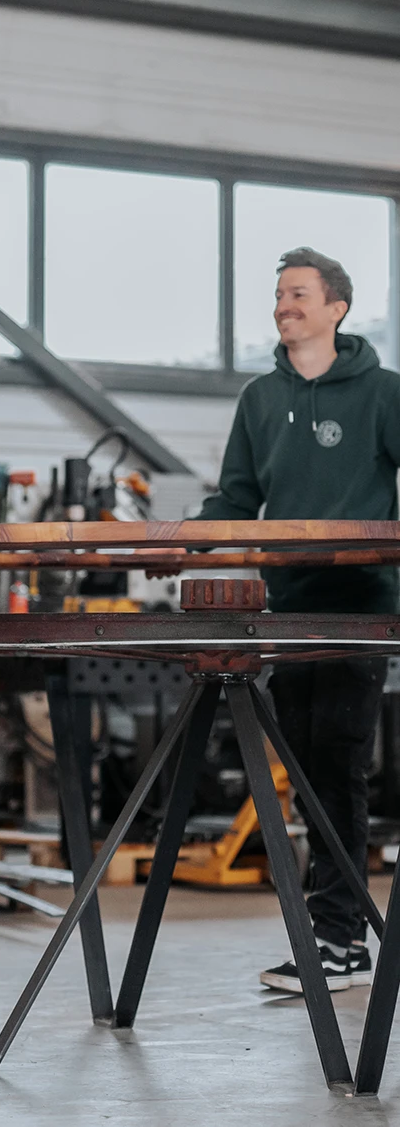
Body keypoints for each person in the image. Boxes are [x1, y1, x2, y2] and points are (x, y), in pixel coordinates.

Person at [197, 246, 400, 994]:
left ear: (335, 308)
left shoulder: (382, 393)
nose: (283, 304)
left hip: (359, 610)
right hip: (289, 604)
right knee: (307, 767)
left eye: (298, 293)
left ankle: (341, 938)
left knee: (338, 764)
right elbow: (234, 496)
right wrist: (185, 537)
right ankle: (333, 935)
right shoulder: (259, 398)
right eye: (278, 294)